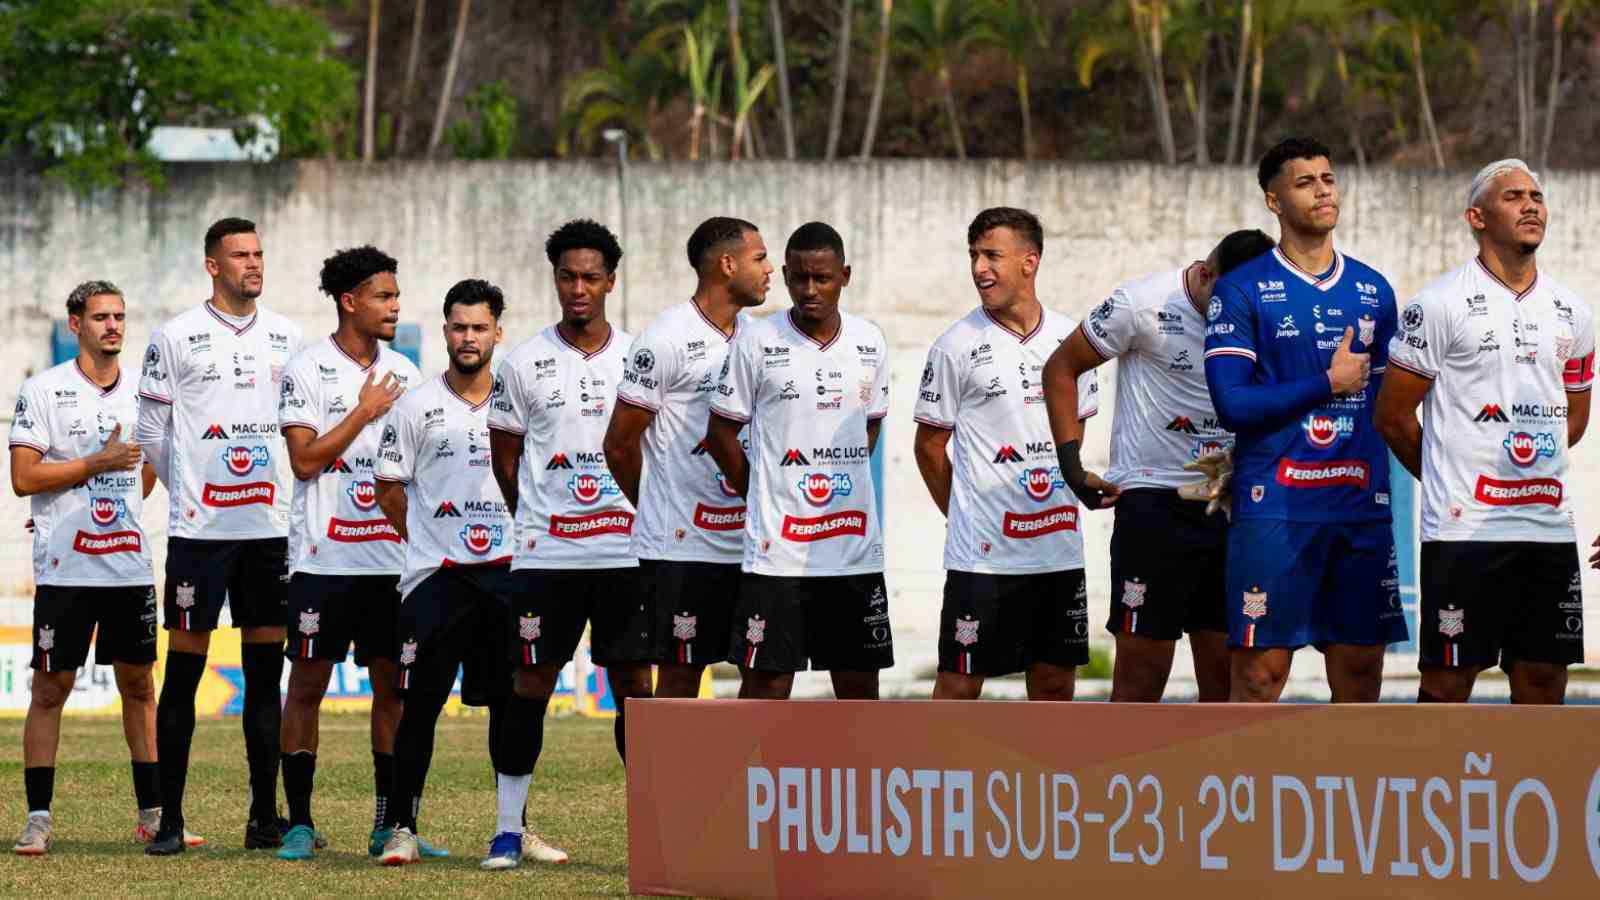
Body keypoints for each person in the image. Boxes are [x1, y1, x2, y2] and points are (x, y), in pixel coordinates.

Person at [1376, 159, 1593, 703]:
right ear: (1477, 217)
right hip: (1464, 531)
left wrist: (1526, 468)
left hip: (1546, 529)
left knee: (1544, 680)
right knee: (1450, 681)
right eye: (1514, 196)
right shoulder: (1439, 303)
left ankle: (1538, 790)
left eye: (1537, 196)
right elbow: (1393, 418)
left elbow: (1575, 417)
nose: (1531, 205)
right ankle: (1429, 789)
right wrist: (1451, 477)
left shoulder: (1574, 311)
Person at [1202, 138, 1407, 703]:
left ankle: (1351, 792)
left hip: (1360, 507)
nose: (1322, 190)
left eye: (1328, 179)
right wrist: (1326, 384)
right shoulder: (1241, 290)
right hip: (1275, 509)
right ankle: (1246, 792)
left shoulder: (1374, 289)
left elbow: (1392, 408)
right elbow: (1233, 405)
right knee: (1259, 675)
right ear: (1274, 201)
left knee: (1361, 674)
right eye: (1305, 182)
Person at [1041, 229, 1278, 702]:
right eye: (1230, 301)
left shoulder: (1268, 311)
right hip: (1153, 505)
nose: (1239, 315)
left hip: (1231, 504)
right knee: (1140, 677)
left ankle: (1212, 777)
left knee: (1224, 677)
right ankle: (1120, 776)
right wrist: (1072, 467)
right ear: (1206, 274)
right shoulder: (1143, 303)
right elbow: (1061, 368)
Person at [374, 279, 561, 866]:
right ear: (446, 330)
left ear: (497, 332)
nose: (469, 337)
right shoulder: (416, 405)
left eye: (480, 327)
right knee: (418, 703)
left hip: (509, 573)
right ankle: (402, 826)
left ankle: (514, 828)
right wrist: (427, 539)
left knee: (512, 703)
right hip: (439, 576)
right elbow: (387, 486)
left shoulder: (522, 404)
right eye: (459, 327)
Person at [136, 218, 303, 854]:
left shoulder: (289, 335)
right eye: (239, 255)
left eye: (258, 253)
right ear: (213, 265)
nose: (253, 264)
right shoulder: (175, 336)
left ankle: (264, 816)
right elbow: (152, 429)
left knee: (266, 679)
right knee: (183, 675)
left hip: (269, 531)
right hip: (201, 536)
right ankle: (170, 821)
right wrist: (192, 491)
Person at [484, 219, 641, 869]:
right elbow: (504, 456)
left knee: (636, 687)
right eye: (567, 277)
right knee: (530, 683)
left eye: (590, 277)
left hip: (626, 555)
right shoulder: (522, 361)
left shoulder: (638, 357)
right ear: (555, 280)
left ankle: (657, 822)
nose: (578, 289)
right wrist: (538, 521)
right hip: (548, 556)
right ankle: (507, 830)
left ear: (611, 281)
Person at [9, 282, 172, 855]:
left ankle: (154, 817)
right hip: (65, 571)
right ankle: (37, 818)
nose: (113, 326)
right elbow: (24, 478)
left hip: (127, 571)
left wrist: (115, 488)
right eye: (100, 316)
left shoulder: (146, 397)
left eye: (120, 316)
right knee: (50, 689)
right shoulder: (45, 390)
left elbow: (147, 471)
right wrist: (91, 466)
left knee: (139, 687)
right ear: (74, 323)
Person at [912, 207, 1099, 701]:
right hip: (983, 561)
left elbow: (1073, 441)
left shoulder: (1072, 342)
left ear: (1029, 262)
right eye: (973, 256)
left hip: (1057, 550)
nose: (979, 268)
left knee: (1056, 683)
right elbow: (929, 448)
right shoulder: (954, 345)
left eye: (992, 255)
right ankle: (940, 778)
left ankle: (1053, 779)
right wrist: (967, 519)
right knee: (959, 682)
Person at [274, 246, 424, 860]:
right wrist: (363, 412)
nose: (395, 305)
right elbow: (306, 461)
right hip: (322, 561)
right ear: (350, 300)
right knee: (306, 685)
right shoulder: (307, 369)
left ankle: (388, 823)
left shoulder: (408, 375)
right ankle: (300, 823)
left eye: (395, 295)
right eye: (384, 296)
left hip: (391, 565)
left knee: (393, 689)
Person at [707, 221, 892, 700]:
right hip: (776, 556)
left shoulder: (870, 341)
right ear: (786, 275)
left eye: (823, 278)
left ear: (845, 276)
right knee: (767, 688)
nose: (811, 290)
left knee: (858, 692)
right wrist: (760, 492)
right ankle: (749, 779)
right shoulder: (756, 341)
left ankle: (854, 780)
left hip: (852, 552)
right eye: (800, 278)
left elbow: (870, 426)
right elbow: (721, 433)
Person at [603, 217, 770, 701]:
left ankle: (738, 777)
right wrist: (657, 504)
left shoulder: (760, 339)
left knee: (763, 671)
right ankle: (671, 780)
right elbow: (618, 443)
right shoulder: (665, 338)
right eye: (759, 258)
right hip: (682, 550)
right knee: (678, 682)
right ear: (726, 263)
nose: (769, 269)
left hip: (752, 542)